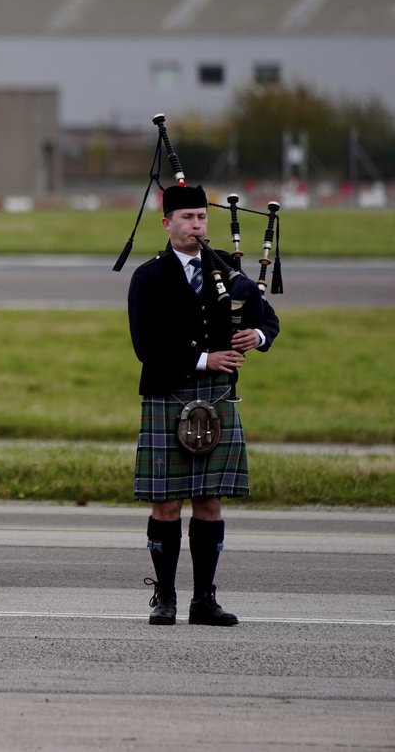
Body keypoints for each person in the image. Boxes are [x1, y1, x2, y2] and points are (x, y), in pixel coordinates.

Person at [128, 184, 279, 627]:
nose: (197, 225)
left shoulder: (226, 273)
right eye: (187, 218)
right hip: (167, 393)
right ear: (167, 224)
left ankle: (204, 600)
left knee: (209, 502)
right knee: (167, 504)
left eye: (202, 218)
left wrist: (260, 336)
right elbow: (146, 345)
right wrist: (204, 358)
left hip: (217, 397)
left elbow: (266, 316)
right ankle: (166, 598)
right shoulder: (149, 277)